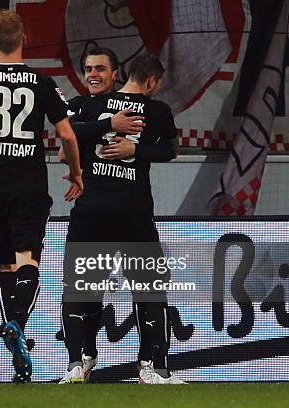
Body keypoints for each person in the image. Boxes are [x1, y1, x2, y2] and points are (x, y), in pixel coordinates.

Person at [0, 9, 83, 384]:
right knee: (27, 259)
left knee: (4, 265)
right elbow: (67, 134)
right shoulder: (41, 82)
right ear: (24, 40)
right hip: (29, 185)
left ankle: (17, 352)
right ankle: (16, 323)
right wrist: (76, 171)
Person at [59, 52, 182, 384]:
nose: (93, 74)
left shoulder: (90, 104)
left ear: (120, 74)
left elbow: (64, 140)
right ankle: (153, 367)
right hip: (134, 212)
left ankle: (77, 363)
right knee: (149, 290)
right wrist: (137, 149)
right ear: (153, 81)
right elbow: (171, 150)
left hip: (91, 210)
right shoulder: (158, 110)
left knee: (81, 288)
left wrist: (79, 163)